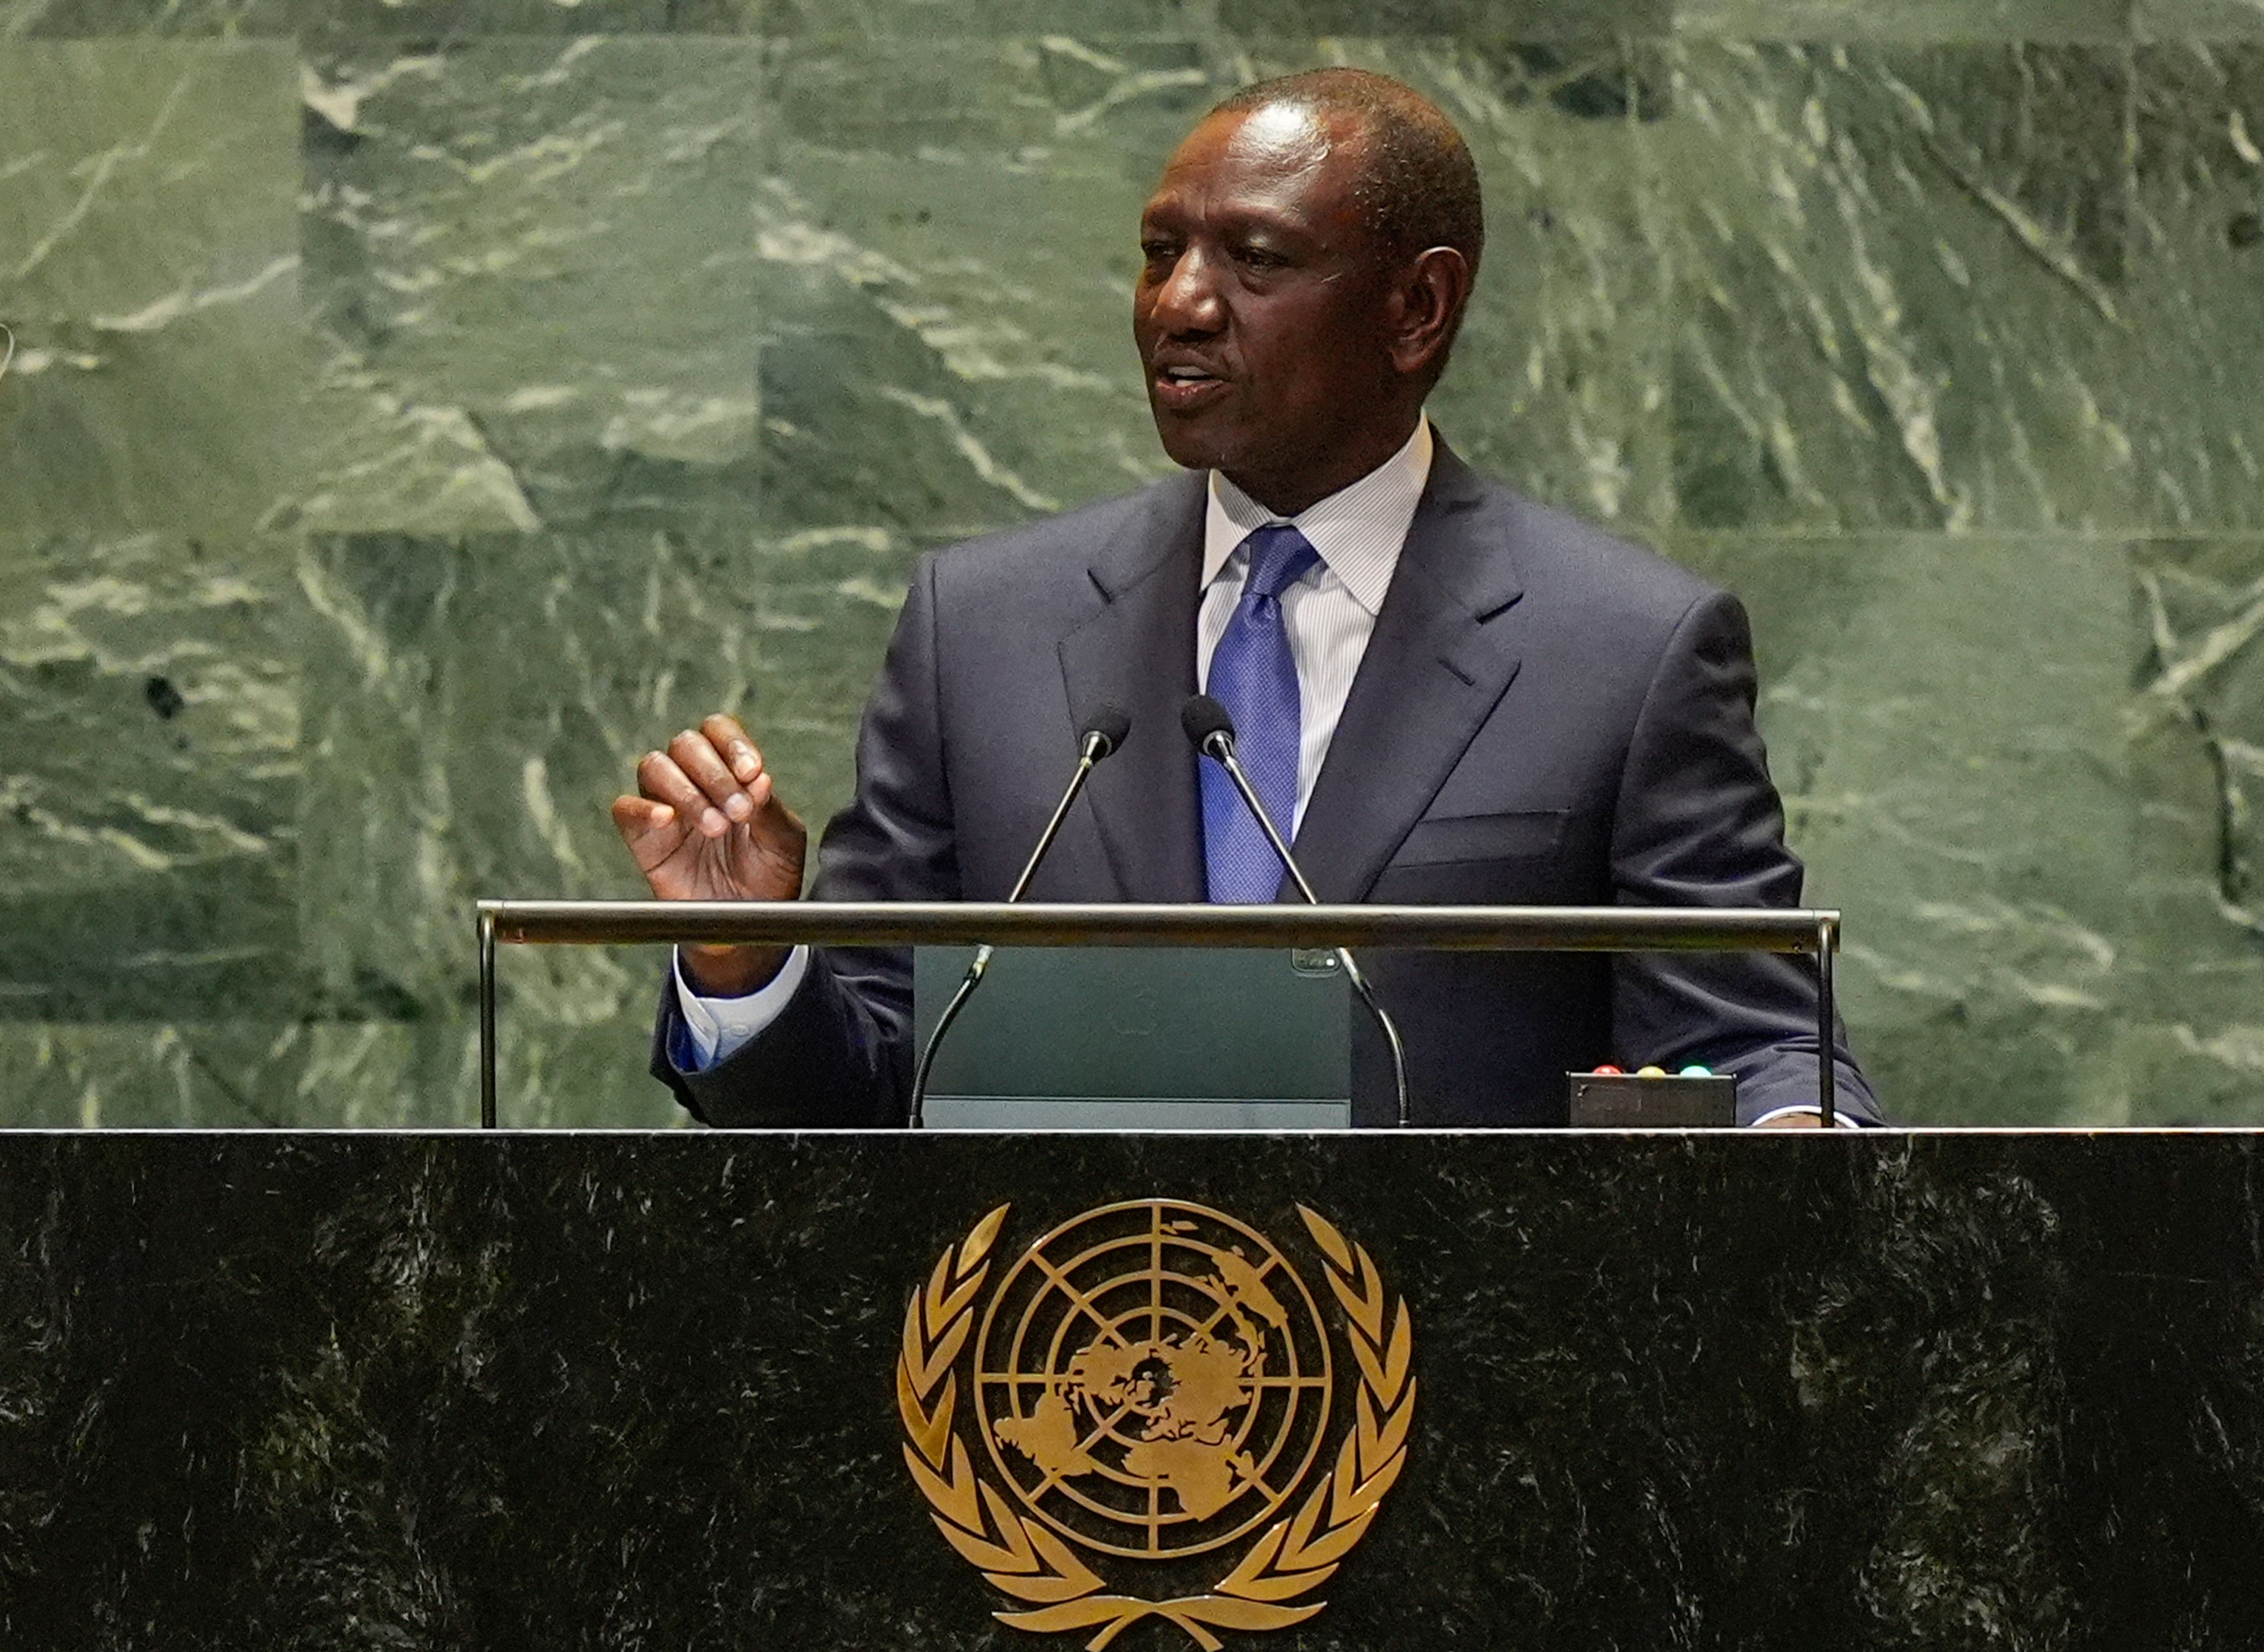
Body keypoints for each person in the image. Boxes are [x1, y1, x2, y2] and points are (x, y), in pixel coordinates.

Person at [612, 68, 1881, 1128]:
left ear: (1416, 309)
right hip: (1055, 1387)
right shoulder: (983, 628)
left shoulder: (1624, 648)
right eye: (1161, 253)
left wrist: (1789, 1137)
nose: (1179, 306)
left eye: (1255, 259)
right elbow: (872, 1086)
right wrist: (751, 959)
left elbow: (1754, 1045)